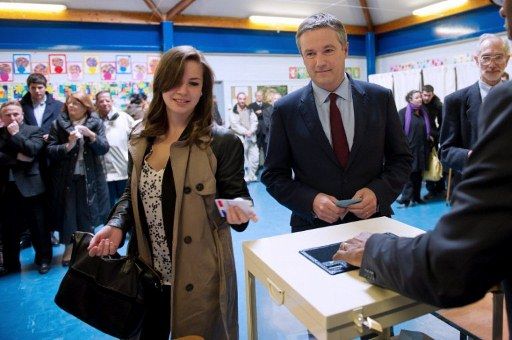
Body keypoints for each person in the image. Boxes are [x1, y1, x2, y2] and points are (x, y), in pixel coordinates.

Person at [333, 0, 512, 335]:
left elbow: (452, 266)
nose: (502, 10)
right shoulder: (461, 98)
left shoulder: (506, 101)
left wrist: (375, 247)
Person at [88, 46, 257, 339]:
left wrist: (238, 208)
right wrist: (116, 225)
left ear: (203, 90)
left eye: (193, 83)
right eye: (176, 81)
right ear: (161, 83)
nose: (183, 91)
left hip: (200, 275)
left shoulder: (222, 143)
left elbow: (237, 209)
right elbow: (131, 193)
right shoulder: (141, 138)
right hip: (147, 273)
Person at [261, 13, 412, 233]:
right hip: (312, 228)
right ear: (302, 57)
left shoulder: (380, 98)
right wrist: (310, 201)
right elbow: (273, 175)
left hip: (374, 223)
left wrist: (377, 193)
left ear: (345, 49)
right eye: (310, 53)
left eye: (328, 50)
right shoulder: (286, 109)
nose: (319, 62)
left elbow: (401, 159)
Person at [439, 33, 509, 196]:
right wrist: (470, 156)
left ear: (507, 59)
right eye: (486, 58)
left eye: (498, 57)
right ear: (476, 60)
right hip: (471, 190)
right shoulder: (455, 101)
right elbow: (445, 151)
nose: (492, 64)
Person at [47, 92, 110, 266]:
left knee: (87, 212)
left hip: (90, 177)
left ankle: (87, 246)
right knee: (68, 214)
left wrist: (92, 135)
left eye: (76, 104)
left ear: (86, 106)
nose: (72, 107)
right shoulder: (58, 124)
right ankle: (69, 247)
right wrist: (69, 145)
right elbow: (50, 150)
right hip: (66, 177)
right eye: (69, 103)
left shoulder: (95, 123)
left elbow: (104, 148)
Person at [0, 101, 52, 275]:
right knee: (8, 229)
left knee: (39, 226)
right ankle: (10, 264)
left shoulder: (34, 131)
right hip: (6, 189)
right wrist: (17, 157)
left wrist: (15, 135)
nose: (12, 117)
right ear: (2, 117)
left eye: (16, 114)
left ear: (22, 115)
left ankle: (44, 259)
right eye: (8, 115)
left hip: (32, 187)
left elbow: (32, 151)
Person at [20, 73, 64, 247]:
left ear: (46, 87)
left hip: (53, 157)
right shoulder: (21, 106)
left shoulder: (58, 106)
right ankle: (39, 234)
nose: (37, 91)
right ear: (28, 88)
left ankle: (55, 231)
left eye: (40, 87)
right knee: (35, 202)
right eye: (33, 88)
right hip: (31, 160)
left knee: (54, 198)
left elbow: (64, 128)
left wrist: (52, 136)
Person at [95, 90, 135, 207]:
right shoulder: (93, 120)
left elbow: (136, 138)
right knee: (108, 206)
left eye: (107, 100)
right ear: (96, 103)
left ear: (112, 101)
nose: (105, 103)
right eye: (101, 101)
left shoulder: (124, 118)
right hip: (103, 172)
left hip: (123, 169)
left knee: (125, 203)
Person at [396, 90, 432, 207]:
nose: (420, 99)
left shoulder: (424, 113)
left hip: (422, 149)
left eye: (420, 97)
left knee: (418, 175)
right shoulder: (402, 113)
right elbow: (398, 133)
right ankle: (405, 198)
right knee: (409, 175)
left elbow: (428, 129)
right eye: (417, 97)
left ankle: (416, 197)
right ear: (410, 99)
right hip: (409, 149)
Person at [421, 85, 445, 200]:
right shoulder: (419, 103)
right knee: (427, 164)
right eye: (424, 95)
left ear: (433, 94)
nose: (426, 98)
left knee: (437, 162)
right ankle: (431, 190)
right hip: (422, 137)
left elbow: (443, 122)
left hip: (434, 138)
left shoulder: (438, 105)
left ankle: (440, 188)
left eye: (428, 95)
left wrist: (438, 136)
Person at [230, 92, 259, 182]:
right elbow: (234, 125)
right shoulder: (233, 111)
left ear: (245, 99)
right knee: (242, 159)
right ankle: (245, 177)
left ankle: (252, 175)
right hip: (241, 138)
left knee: (255, 158)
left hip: (251, 137)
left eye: (243, 99)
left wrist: (251, 131)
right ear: (237, 99)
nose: (242, 101)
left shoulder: (250, 110)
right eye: (240, 99)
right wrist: (245, 131)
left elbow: (255, 121)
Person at [248, 90, 270, 163]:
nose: (259, 97)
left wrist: (262, 112)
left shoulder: (268, 105)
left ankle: (267, 168)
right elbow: (248, 117)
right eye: (257, 95)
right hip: (255, 132)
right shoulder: (251, 106)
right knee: (255, 152)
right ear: (255, 96)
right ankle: (255, 169)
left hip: (266, 132)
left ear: (262, 96)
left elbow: (270, 115)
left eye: (260, 95)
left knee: (267, 151)